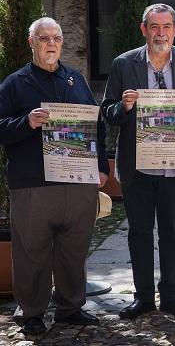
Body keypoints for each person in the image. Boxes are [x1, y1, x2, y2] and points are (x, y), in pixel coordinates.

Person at [0, 17, 109, 335]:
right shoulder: (14, 83)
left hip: (77, 182)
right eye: (44, 38)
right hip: (33, 183)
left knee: (73, 250)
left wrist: (101, 167)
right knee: (31, 250)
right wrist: (26, 122)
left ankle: (70, 308)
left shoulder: (76, 80)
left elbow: (96, 126)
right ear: (31, 42)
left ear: (62, 43)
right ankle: (32, 312)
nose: (51, 43)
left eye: (56, 38)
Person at [102, 3, 175, 319]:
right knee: (138, 233)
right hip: (138, 167)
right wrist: (122, 106)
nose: (160, 33)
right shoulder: (124, 65)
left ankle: (172, 295)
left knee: (172, 234)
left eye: (166, 27)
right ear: (144, 30)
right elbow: (108, 114)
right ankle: (143, 297)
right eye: (154, 27)